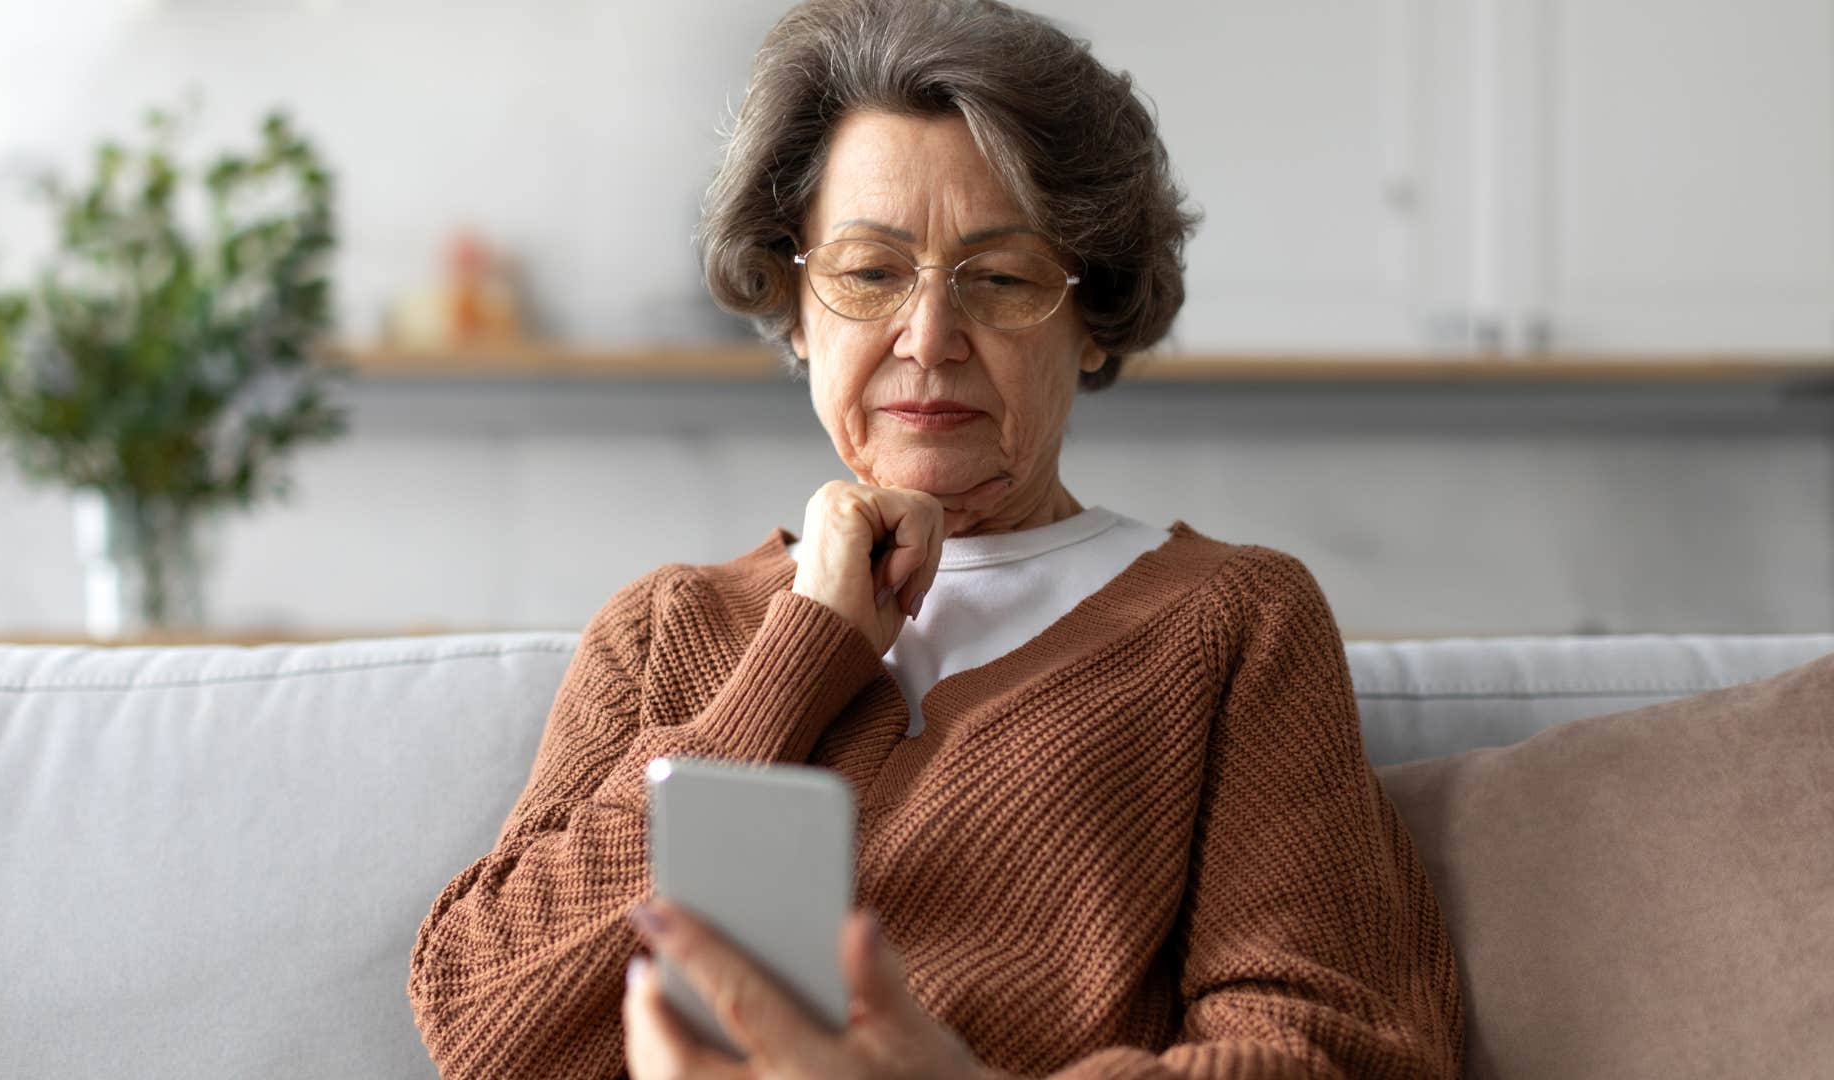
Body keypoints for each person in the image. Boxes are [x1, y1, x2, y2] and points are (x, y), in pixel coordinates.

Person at [407, 0, 1464, 1076]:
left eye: (999, 280)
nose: (929, 337)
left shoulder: (1230, 622)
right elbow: (483, 1026)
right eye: (869, 274)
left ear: (1091, 315)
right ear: (797, 306)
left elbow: (1336, 1043)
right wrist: (800, 653)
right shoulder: (668, 626)